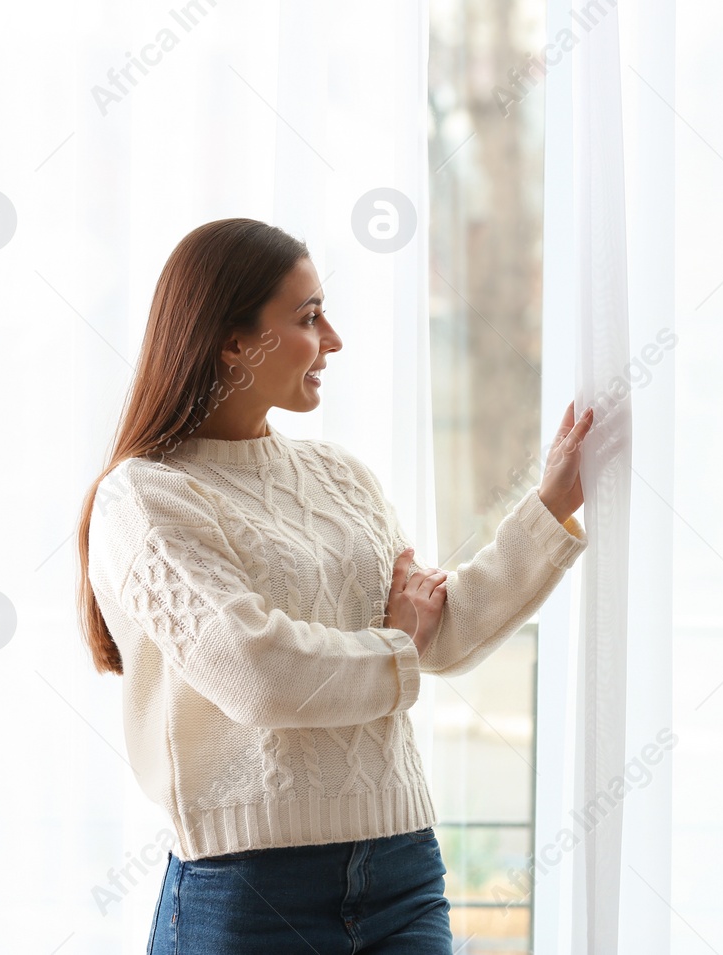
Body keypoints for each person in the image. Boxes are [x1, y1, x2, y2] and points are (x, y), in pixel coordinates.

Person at [74, 217, 594, 953]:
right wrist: (396, 643)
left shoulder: (341, 477)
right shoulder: (146, 497)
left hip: (402, 868)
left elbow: (436, 635)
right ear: (232, 340)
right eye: (309, 317)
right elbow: (256, 671)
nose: (335, 339)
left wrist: (548, 509)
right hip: (249, 890)